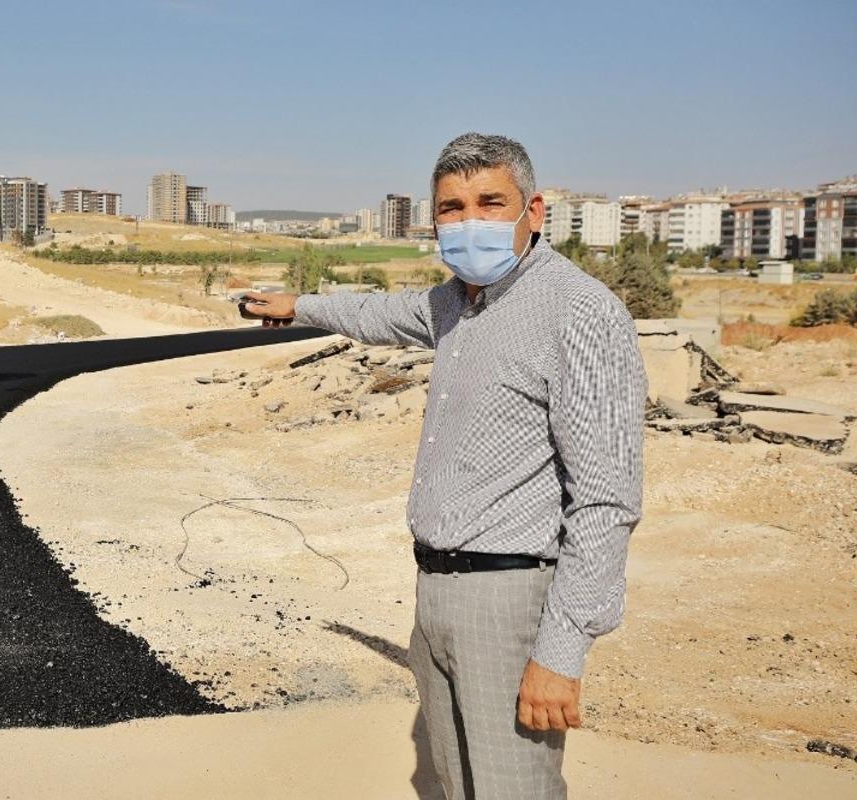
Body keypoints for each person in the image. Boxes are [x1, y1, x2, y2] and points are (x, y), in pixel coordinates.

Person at [241, 133, 646, 799]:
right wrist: (296, 306)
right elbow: (375, 312)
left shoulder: (579, 313)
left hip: (510, 599)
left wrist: (561, 650)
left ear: (534, 211)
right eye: (451, 209)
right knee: (455, 788)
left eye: (491, 202)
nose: (469, 222)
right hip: (436, 593)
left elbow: (604, 500)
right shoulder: (455, 303)